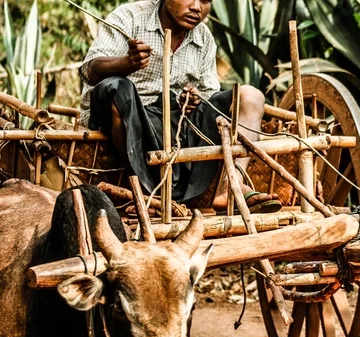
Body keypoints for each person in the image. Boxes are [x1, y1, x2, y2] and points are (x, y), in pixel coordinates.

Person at [79, 0, 280, 212]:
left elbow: (209, 98)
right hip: (130, 121)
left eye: (205, 1)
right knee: (115, 88)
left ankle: (231, 185)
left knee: (251, 96)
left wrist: (193, 99)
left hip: (179, 126)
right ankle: (147, 191)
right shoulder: (129, 17)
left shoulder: (203, 38)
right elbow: (89, 71)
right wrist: (126, 63)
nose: (196, 7)